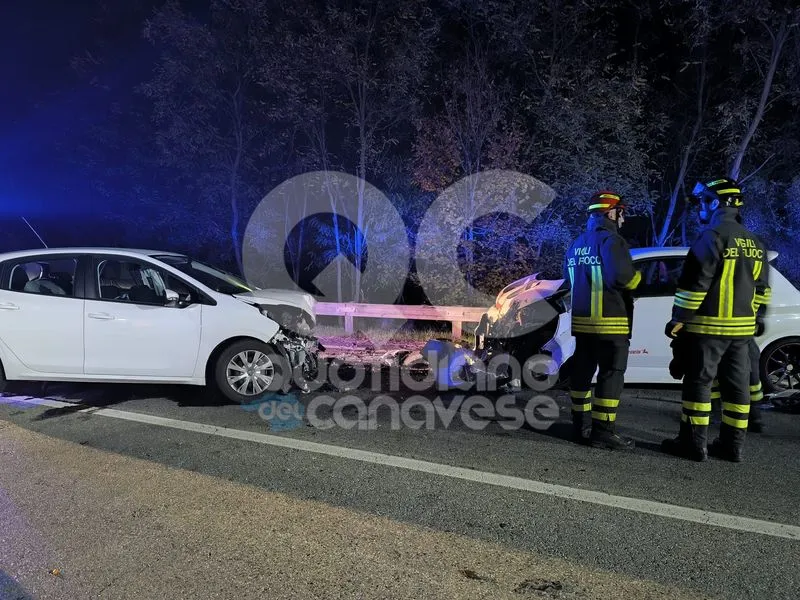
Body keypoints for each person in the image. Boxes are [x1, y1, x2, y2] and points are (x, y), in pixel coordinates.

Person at [662, 178, 771, 462]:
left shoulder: (711, 237)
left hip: (707, 329)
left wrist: (679, 319)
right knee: (737, 388)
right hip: (741, 333)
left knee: (699, 383)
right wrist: (753, 317)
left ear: (715, 203)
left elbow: (694, 285)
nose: (700, 207)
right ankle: (732, 446)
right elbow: (762, 290)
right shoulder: (755, 242)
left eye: (703, 202)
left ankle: (693, 444)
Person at [564, 190, 641, 449]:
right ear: (610, 213)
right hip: (611, 323)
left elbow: (568, 281)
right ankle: (603, 431)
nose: (623, 219)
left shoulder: (576, 244)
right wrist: (639, 279)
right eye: (621, 213)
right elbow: (623, 278)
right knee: (611, 373)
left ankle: (580, 425)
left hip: (582, 324)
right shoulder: (612, 241)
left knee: (582, 372)